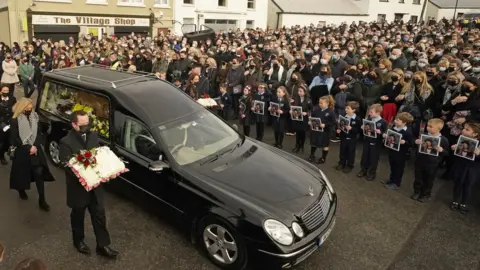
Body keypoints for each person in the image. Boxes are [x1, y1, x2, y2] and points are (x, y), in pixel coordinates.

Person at [59, 110, 118, 258]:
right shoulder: (66, 142)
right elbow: (66, 165)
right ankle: (78, 242)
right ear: (74, 124)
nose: (87, 126)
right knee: (78, 217)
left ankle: (103, 245)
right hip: (78, 188)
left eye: (88, 123)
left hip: (95, 187)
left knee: (99, 216)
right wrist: (85, 176)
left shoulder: (93, 136)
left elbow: (98, 155)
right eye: (83, 124)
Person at [9, 98, 53, 210]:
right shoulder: (15, 120)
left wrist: (35, 146)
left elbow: (38, 134)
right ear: (22, 108)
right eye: (27, 108)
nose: (30, 110)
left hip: (35, 151)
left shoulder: (35, 117)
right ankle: (21, 190)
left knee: (39, 173)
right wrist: (28, 147)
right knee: (22, 174)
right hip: (22, 152)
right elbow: (15, 138)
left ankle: (42, 200)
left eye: (31, 108)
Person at [413, 118, 450, 202]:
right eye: (428, 126)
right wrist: (416, 142)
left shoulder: (443, 140)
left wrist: (441, 150)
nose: (428, 128)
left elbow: (447, 153)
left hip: (432, 164)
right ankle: (416, 192)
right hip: (420, 161)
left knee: (428, 180)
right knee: (418, 178)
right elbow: (416, 146)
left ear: (439, 128)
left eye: (431, 126)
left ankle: (425, 194)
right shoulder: (424, 135)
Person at [450, 122, 480, 214]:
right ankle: (455, 200)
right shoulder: (460, 139)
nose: (463, 130)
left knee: (468, 185)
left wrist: (478, 154)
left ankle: (464, 203)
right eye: (464, 128)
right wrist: (454, 148)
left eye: (467, 130)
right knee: (458, 183)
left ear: (475, 134)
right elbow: (455, 155)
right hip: (460, 165)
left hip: (472, 168)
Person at [383, 112, 414, 190]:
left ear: (404, 123)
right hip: (392, 151)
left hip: (400, 154)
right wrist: (386, 136)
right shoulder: (394, 128)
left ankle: (396, 183)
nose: (395, 121)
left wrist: (405, 142)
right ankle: (391, 180)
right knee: (392, 166)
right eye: (396, 119)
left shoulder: (407, 132)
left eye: (398, 120)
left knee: (398, 168)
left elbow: (411, 143)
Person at [357, 104, 388, 181]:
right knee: (365, 156)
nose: (369, 113)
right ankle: (363, 170)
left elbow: (385, 133)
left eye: (371, 112)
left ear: (378, 113)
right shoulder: (368, 119)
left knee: (373, 158)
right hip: (367, 141)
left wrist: (380, 133)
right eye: (369, 112)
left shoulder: (383, 122)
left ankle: (371, 173)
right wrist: (362, 127)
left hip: (376, 143)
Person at [308, 95, 336, 164]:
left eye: (321, 103)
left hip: (325, 132)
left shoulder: (330, 112)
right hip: (316, 130)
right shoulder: (317, 109)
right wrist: (310, 121)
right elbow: (312, 117)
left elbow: (333, 122)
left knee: (325, 145)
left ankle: (323, 158)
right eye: (319, 102)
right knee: (314, 143)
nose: (319, 104)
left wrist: (325, 125)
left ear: (327, 103)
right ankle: (312, 155)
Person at [336, 101, 361, 173]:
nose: (346, 109)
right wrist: (339, 129)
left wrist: (352, 129)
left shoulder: (357, 119)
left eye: (348, 108)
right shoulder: (344, 116)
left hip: (352, 139)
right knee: (342, 151)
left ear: (353, 110)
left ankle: (349, 165)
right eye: (345, 108)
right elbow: (341, 125)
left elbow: (359, 130)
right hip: (343, 137)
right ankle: (341, 163)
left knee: (350, 152)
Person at [291, 85, 312, 153]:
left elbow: (311, 110)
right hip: (297, 118)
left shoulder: (308, 100)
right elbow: (293, 107)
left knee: (302, 133)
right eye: (298, 91)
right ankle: (297, 145)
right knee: (297, 133)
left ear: (305, 92)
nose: (299, 92)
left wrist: (307, 113)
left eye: (301, 91)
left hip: (304, 119)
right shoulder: (296, 98)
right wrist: (292, 110)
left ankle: (301, 146)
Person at [0, 85, 15, 164]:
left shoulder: (13, 99)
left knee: (8, 140)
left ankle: (6, 153)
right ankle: (2, 156)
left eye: (7, 91)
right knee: (1, 140)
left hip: (10, 123)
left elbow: (15, 109)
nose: (5, 92)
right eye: (4, 91)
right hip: (1, 124)